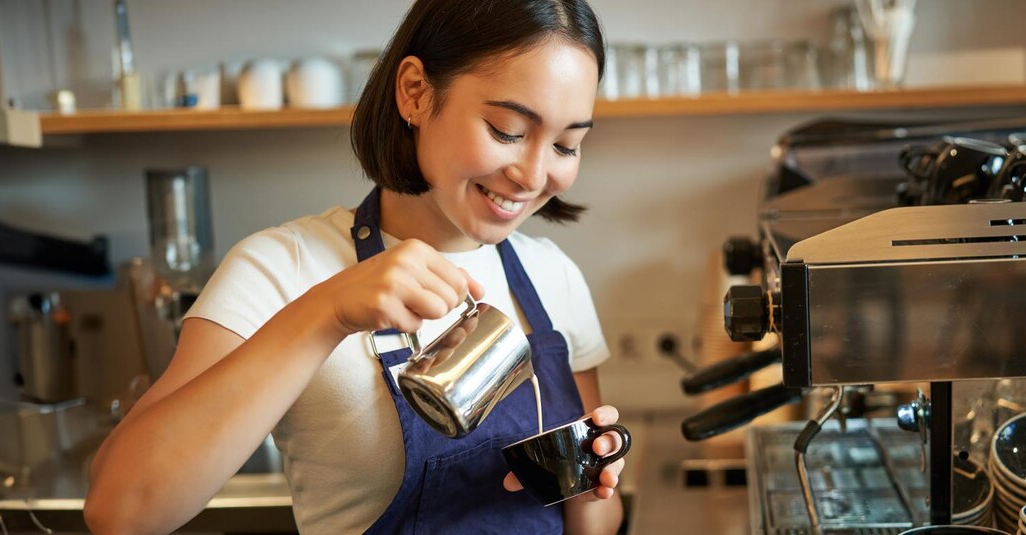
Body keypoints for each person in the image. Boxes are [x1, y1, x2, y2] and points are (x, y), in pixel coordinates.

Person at [83, 0, 624, 533]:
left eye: (565, 144)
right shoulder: (282, 269)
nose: (533, 175)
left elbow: (592, 524)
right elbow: (120, 510)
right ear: (415, 92)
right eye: (508, 129)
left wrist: (592, 473)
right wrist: (328, 312)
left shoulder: (554, 276)